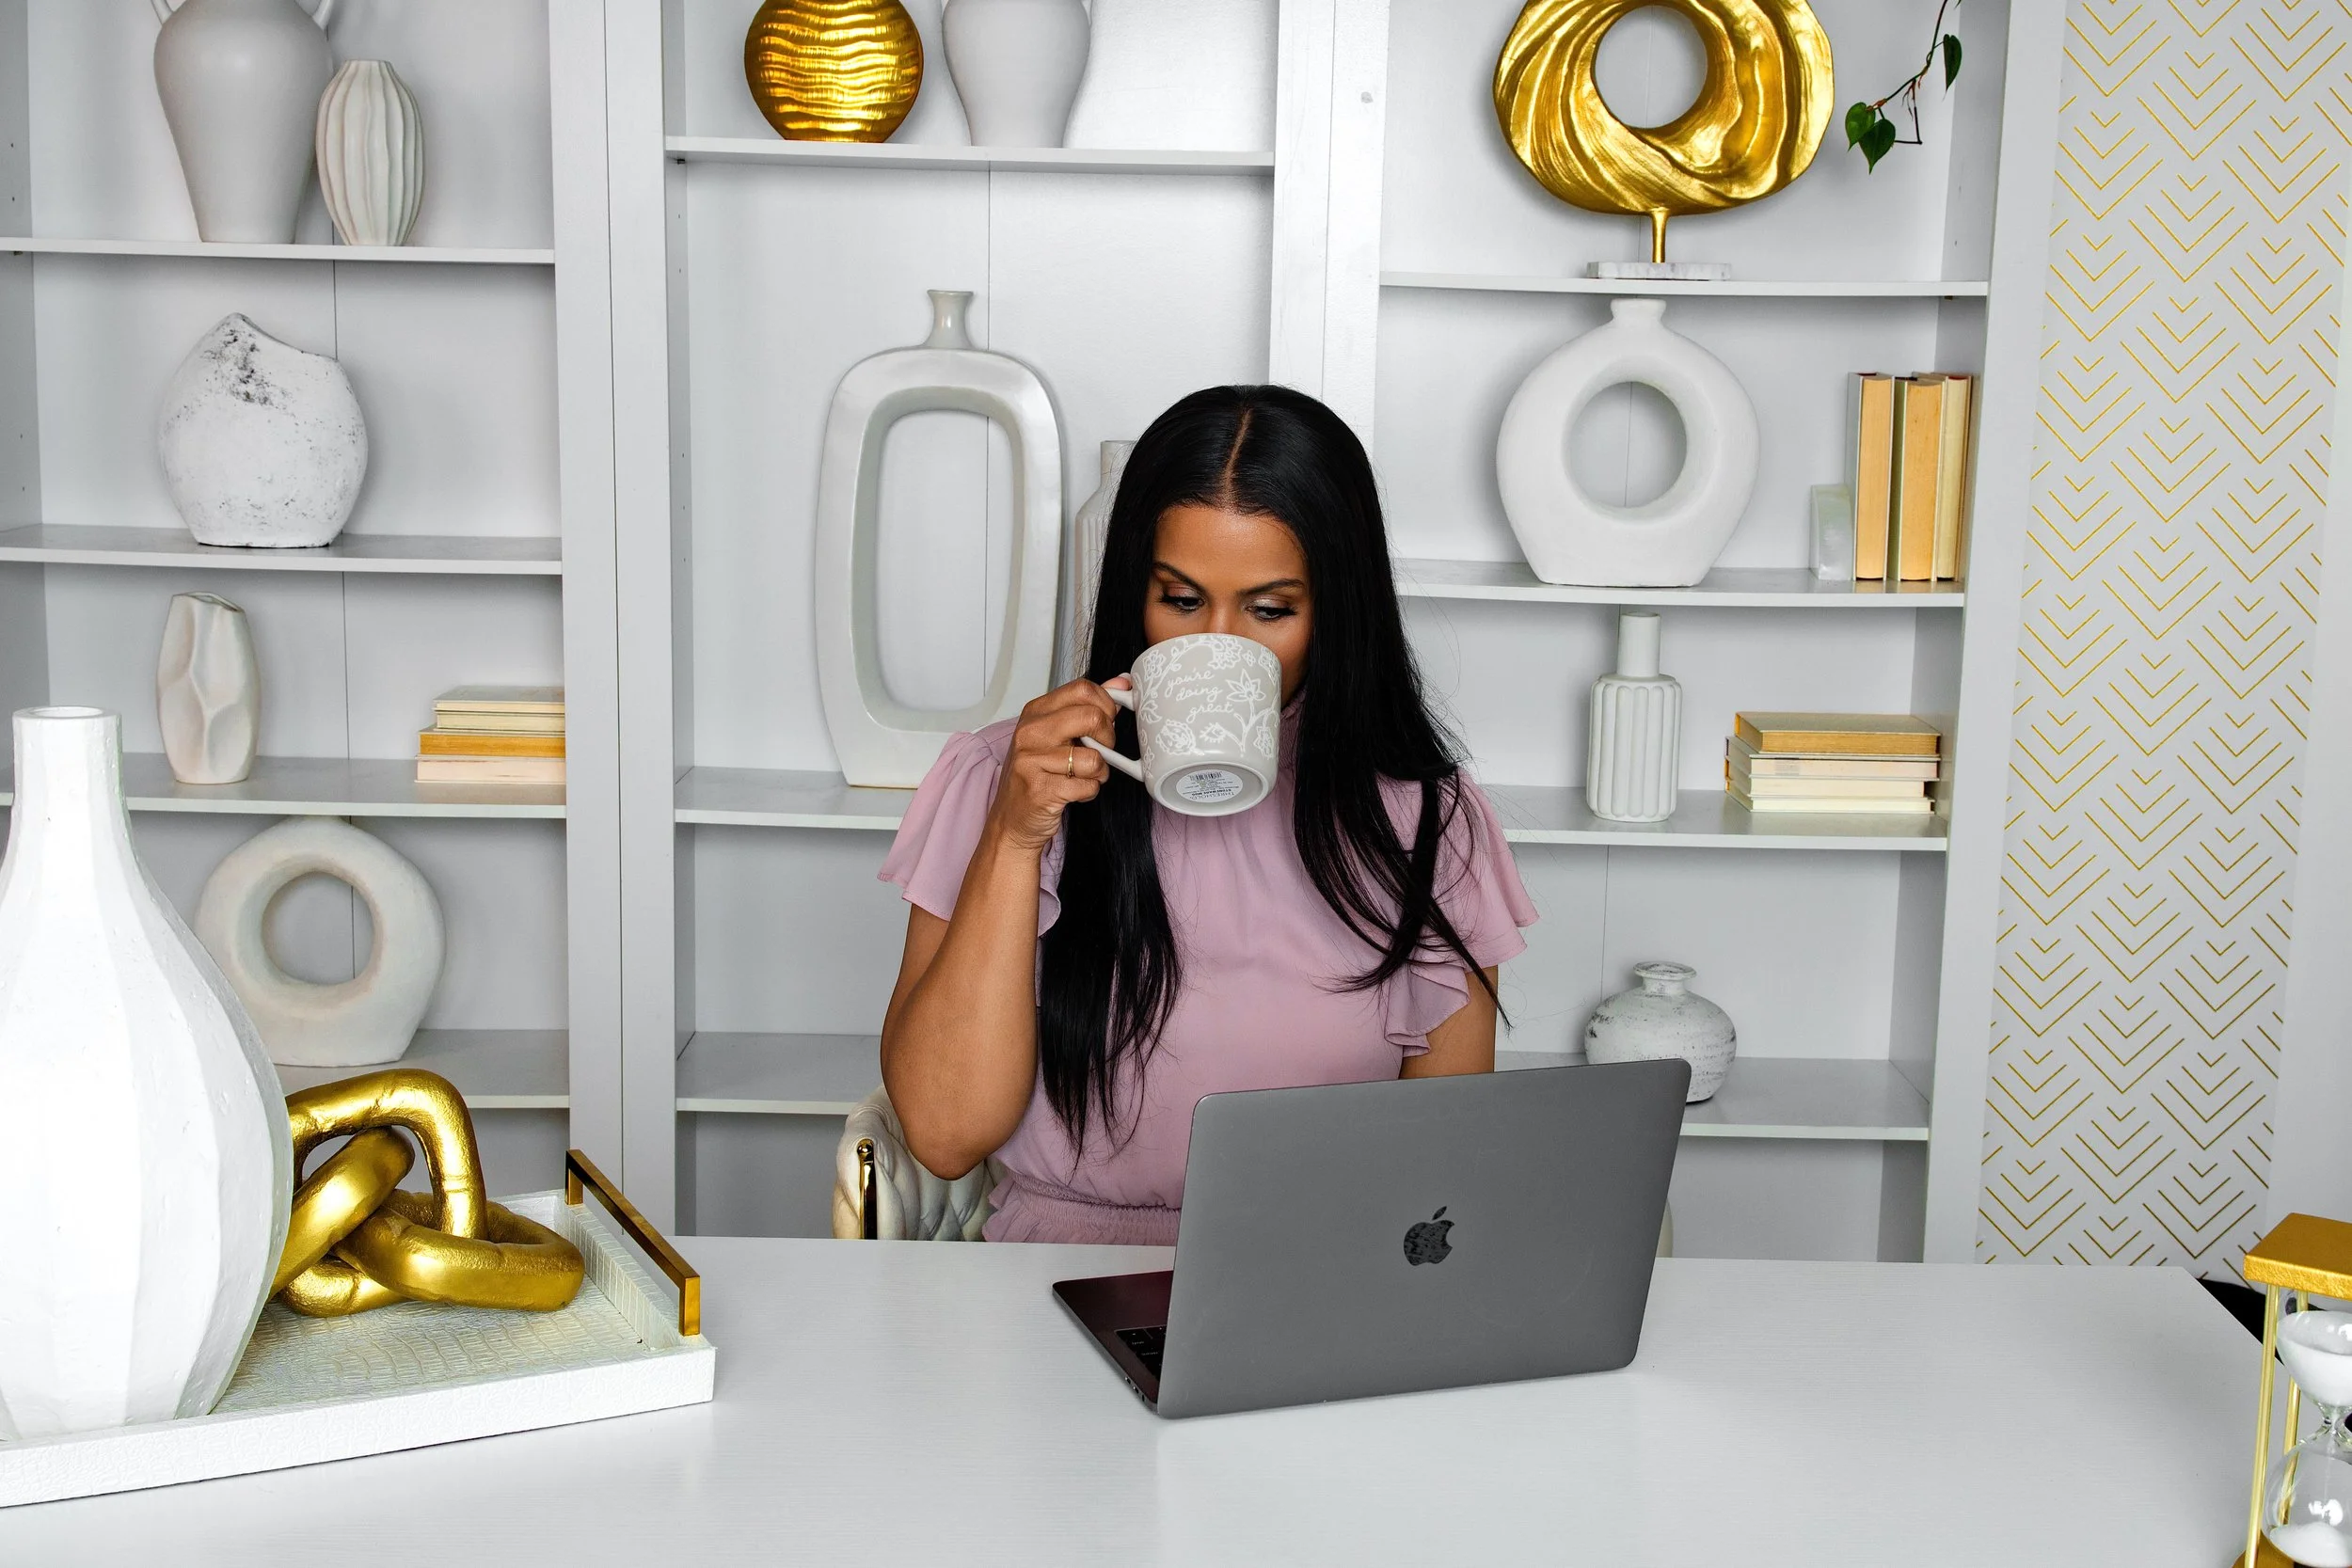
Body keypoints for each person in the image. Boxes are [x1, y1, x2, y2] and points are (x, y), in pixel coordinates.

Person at [878, 385, 1537, 1244]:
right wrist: (1015, 834)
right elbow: (943, 1132)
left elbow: (1440, 1173)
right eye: (1182, 601)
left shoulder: (1423, 823)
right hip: (1044, 1297)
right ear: (1134, 594)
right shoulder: (1003, 778)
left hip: (1316, 1284)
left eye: (1270, 609)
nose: (1218, 643)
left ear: (1337, 611)